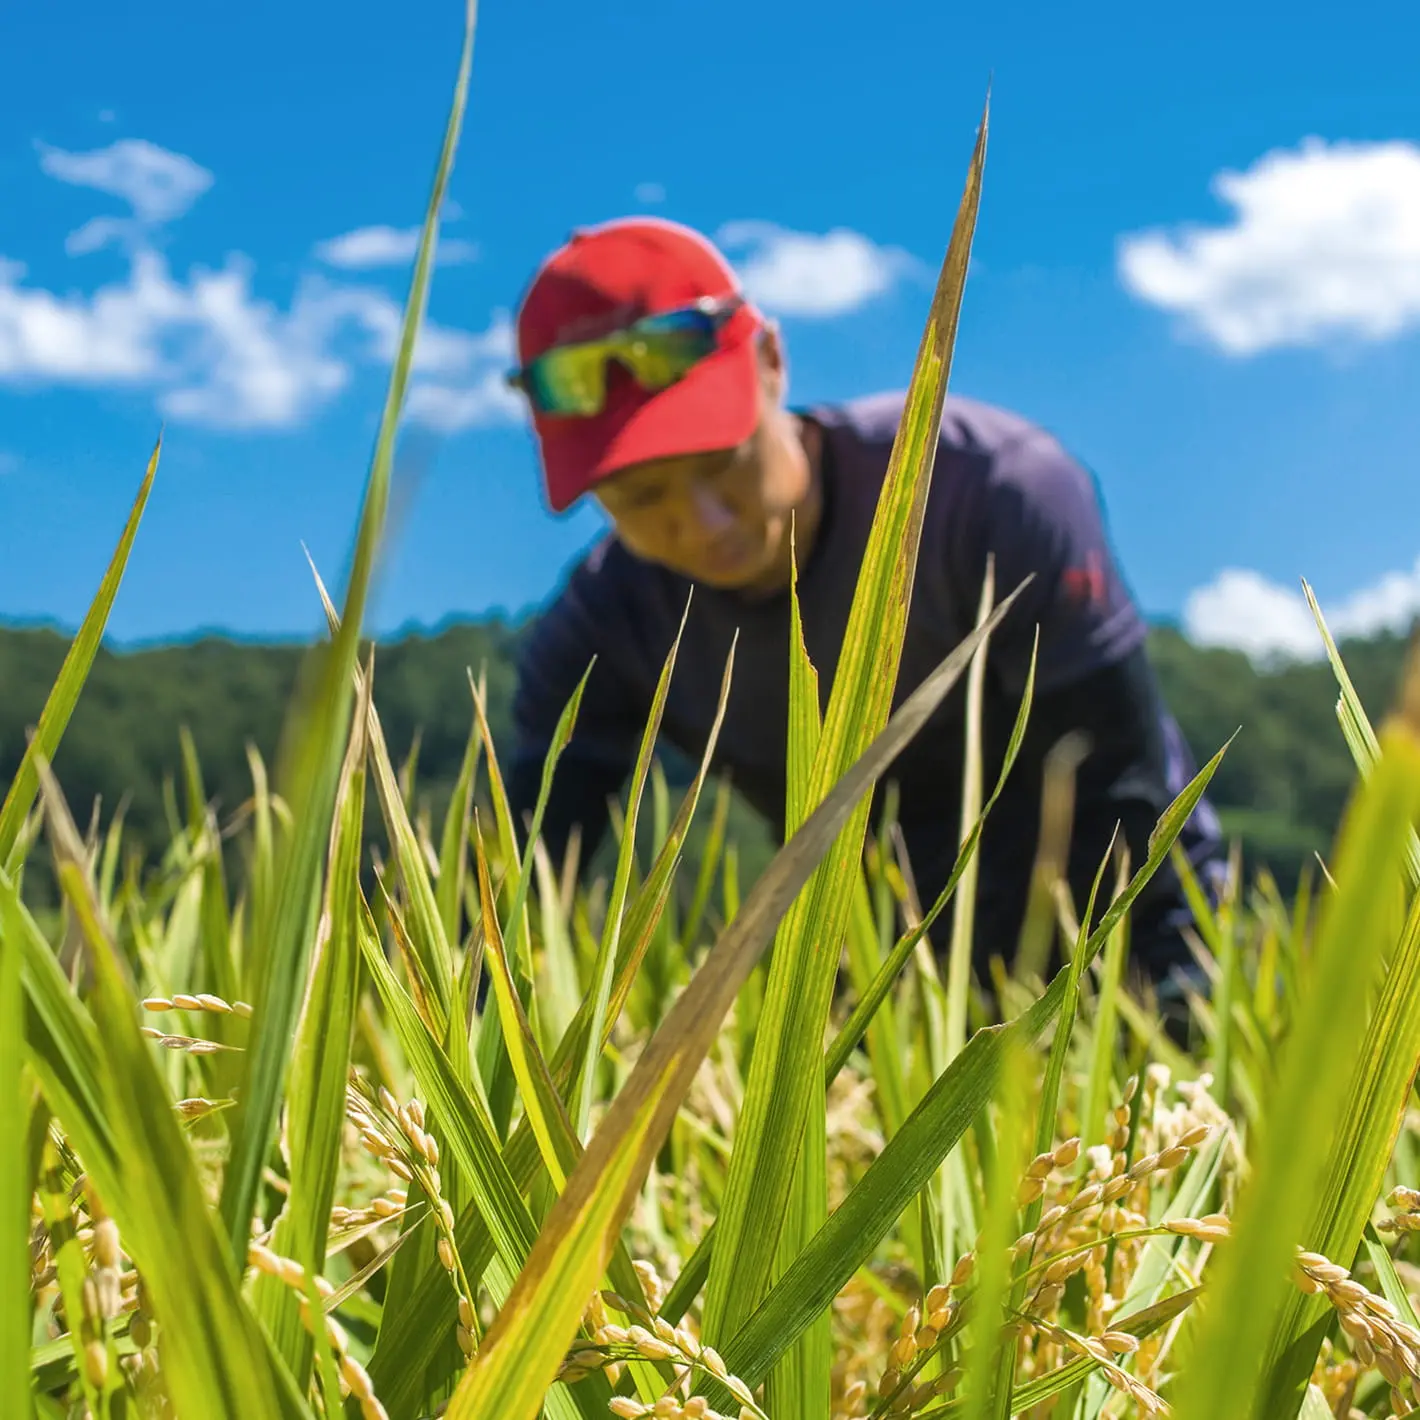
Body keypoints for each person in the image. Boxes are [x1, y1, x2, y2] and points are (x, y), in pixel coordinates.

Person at [501, 214, 1226, 1001]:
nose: (706, 523)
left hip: (1127, 923)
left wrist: (1158, 1002)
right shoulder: (609, 627)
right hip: (877, 975)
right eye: (643, 498)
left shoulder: (989, 495)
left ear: (772, 363)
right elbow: (517, 883)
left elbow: (1120, 789)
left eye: (723, 461)